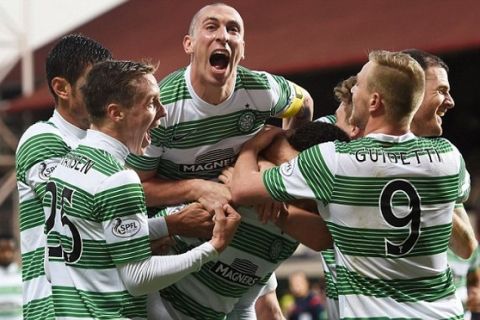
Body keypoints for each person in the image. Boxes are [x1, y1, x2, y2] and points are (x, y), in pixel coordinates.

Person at [231, 50, 470, 318]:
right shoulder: (448, 157)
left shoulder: (336, 159)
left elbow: (243, 187)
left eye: (359, 86)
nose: (354, 89)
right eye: (440, 91)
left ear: (375, 101)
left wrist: (258, 149)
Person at [126, 2, 314, 316]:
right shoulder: (163, 108)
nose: (223, 36)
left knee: (265, 306)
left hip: (242, 223)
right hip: (180, 235)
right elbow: (137, 187)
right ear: (188, 44)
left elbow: (305, 103)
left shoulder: (261, 90)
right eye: (211, 27)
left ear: (243, 47)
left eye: (233, 30)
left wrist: (277, 171)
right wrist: (196, 188)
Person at [42, 60, 241, 319]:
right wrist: (213, 247)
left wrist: (168, 225)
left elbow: (62, 259)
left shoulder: (63, 169)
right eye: (151, 103)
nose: (163, 112)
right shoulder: (118, 179)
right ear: (116, 113)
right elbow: (139, 277)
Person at [149, 121, 347, 319]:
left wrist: (256, 162)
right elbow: (131, 254)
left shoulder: (292, 235)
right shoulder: (225, 199)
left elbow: (242, 301)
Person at [15, 34, 112, 319]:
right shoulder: (42, 138)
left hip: (103, 304)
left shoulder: (109, 145)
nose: (105, 95)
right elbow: (84, 209)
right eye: (93, 85)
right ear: (61, 87)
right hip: (55, 307)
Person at [0, 235, 22, 320]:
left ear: (15, 251)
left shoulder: (22, 276)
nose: (6, 254)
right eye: (2, 250)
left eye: (9, 250)